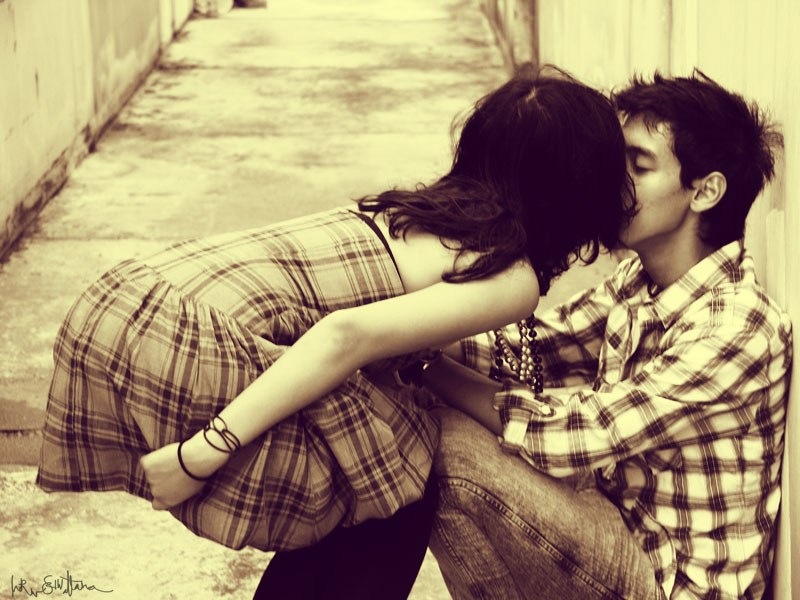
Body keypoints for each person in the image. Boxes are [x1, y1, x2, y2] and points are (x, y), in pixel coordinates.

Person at [36, 66, 633, 598]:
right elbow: (345, 336)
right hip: (189, 344)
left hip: (132, 298)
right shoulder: (510, 276)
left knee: (380, 473)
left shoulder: (414, 211)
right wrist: (201, 455)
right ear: (575, 191)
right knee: (398, 481)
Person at [418, 70, 792, 599]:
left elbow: (568, 435)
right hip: (618, 524)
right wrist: (406, 333)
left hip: (665, 581)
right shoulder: (641, 279)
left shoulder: (737, 327)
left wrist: (426, 368)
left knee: (452, 449)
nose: (614, 181)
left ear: (705, 191)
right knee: (421, 414)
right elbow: (534, 348)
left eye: (639, 166)